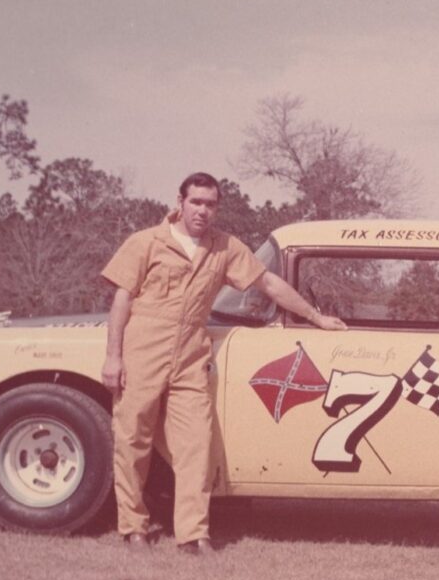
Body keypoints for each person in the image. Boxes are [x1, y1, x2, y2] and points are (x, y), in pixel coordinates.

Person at [100, 172, 346, 555]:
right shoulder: (146, 242)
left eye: (210, 204)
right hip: (143, 344)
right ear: (179, 201)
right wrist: (114, 356)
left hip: (190, 351)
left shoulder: (224, 247)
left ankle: (193, 535)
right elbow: (122, 300)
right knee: (133, 438)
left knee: (196, 444)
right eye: (196, 202)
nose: (202, 210)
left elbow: (268, 284)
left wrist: (316, 318)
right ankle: (133, 525)